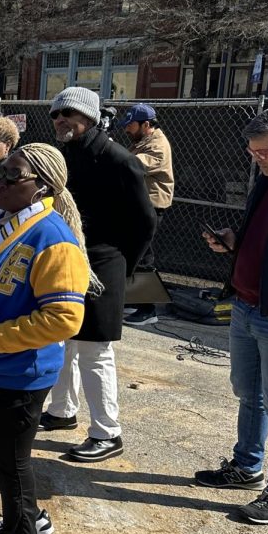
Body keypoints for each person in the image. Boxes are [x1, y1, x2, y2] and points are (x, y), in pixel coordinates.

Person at [0, 144, 92, 534]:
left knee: (11, 459)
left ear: (41, 187)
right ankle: (28, 515)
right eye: (2, 173)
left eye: (12, 176)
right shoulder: (1, 223)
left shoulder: (53, 239)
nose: (0, 183)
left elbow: (64, 318)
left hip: (19, 370)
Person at [41, 86, 156, 463]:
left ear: (89, 118)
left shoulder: (119, 160)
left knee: (94, 351)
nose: (60, 120)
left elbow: (144, 222)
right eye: (56, 115)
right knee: (64, 340)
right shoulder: (64, 157)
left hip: (103, 265)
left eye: (69, 114)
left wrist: (122, 265)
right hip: (66, 260)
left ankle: (108, 433)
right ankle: (62, 412)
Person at [198, 109, 268, 525]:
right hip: (245, 304)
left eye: (263, 152)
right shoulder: (264, 181)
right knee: (249, 393)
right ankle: (247, 467)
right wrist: (233, 241)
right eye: (253, 151)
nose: (256, 158)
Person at [119, 103, 174, 325]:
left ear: (147, 124)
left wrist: (110, 148)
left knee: (142, 255)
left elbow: (133, 165)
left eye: (131, 125)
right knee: (133, 253)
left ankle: (148, 309)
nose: (127, 130)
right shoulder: (143, 141)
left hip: (150, 207)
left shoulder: (158, 145)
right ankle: (135, 300)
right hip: (138, 206)